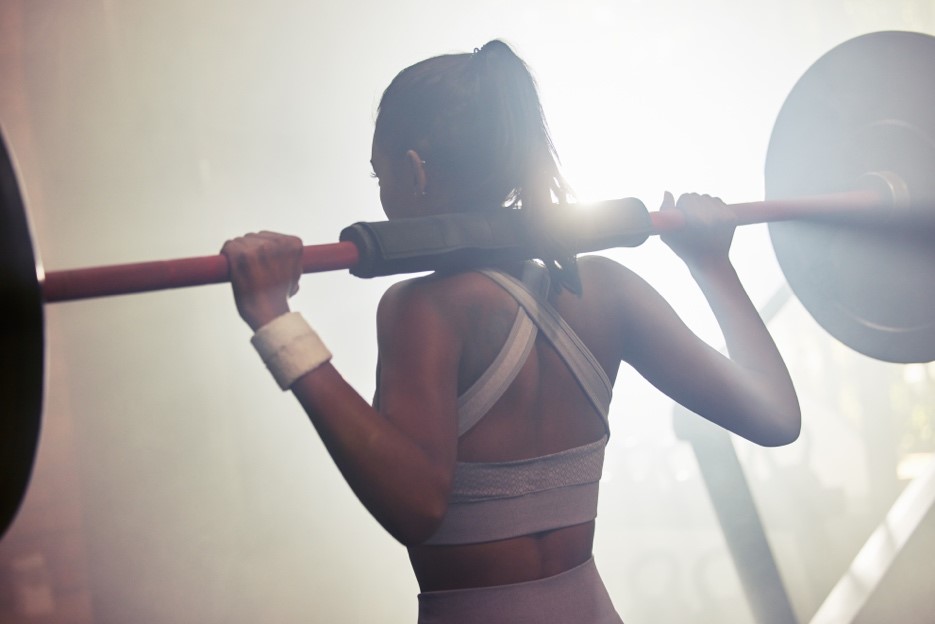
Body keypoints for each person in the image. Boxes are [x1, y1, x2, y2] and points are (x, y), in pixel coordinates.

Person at [220, 40, 800, 624]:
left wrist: (277, 320)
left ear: (415, 171)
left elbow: (414, 506)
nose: (381, 190)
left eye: (381, 171)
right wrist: (711, 264)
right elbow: (775, 415)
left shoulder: (423, 309)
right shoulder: (606, 290)